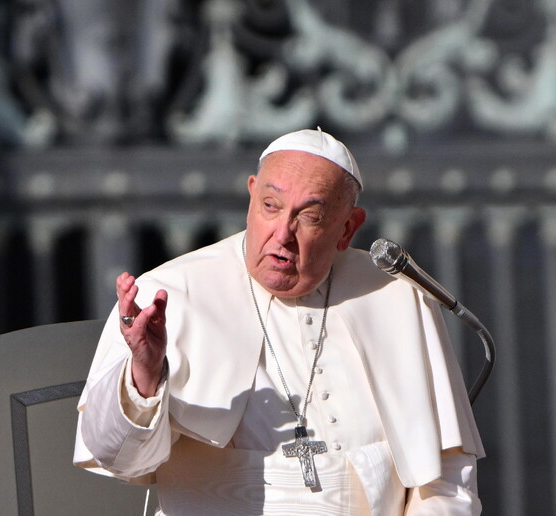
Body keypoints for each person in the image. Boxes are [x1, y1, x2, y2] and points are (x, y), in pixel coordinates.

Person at [73, 128, 484, 515]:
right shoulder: (169, 293)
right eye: (271, 206)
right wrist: (144, 375)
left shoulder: (397, 296)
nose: (282, 233)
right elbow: (120, 458)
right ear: (252, 197)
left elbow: (446, 482)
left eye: (310, 216)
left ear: (347, 229)